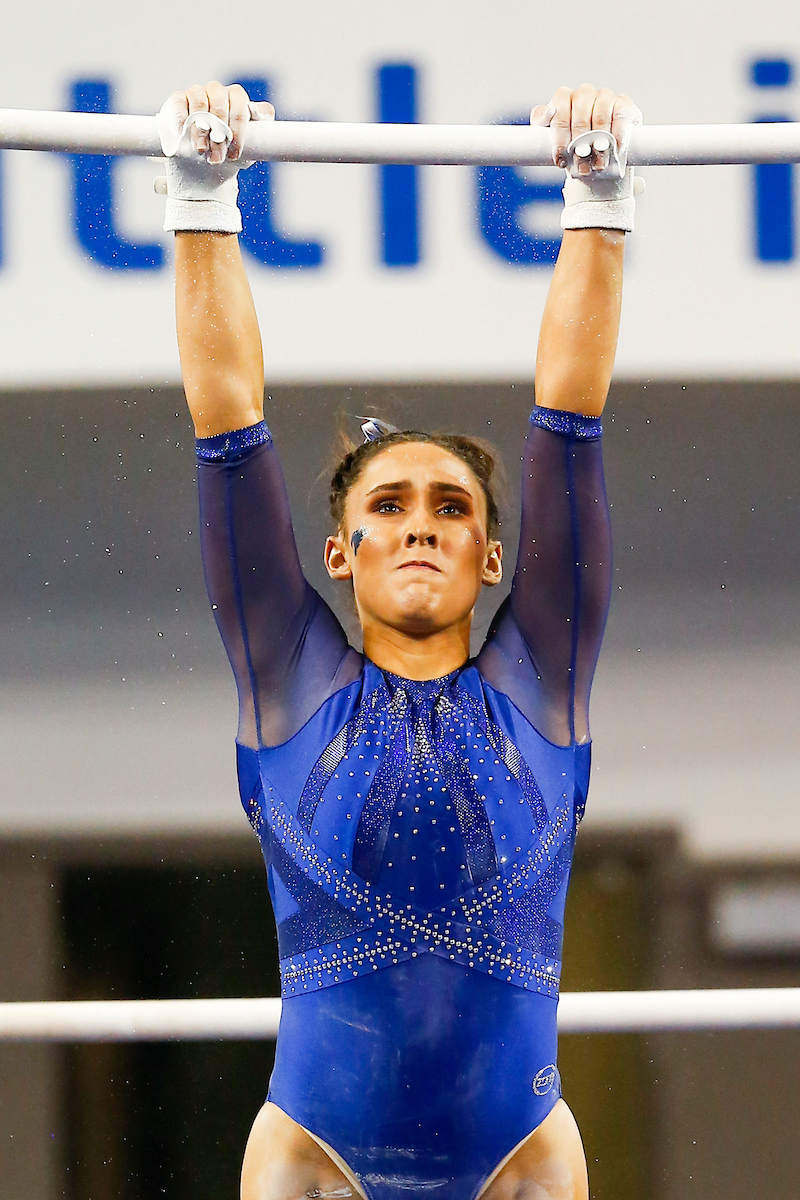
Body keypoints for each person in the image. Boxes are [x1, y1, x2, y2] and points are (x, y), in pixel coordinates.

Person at [159, 79, 641, 1200]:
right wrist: (200, 194)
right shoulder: (287, 675)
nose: (418, 519)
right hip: (312, 1157)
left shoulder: (540, 678)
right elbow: (226, 424)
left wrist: (597, 193)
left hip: (516, 1161)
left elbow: (568, 420)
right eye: (385, 507)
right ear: (338, 554)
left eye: (450, 505)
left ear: (491, 559)